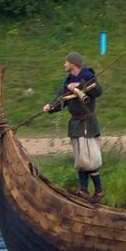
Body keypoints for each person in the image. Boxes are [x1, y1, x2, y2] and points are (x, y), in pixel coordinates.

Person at [42, 52, 104, 203]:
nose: (64, 64)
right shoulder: (68, 80)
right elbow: (60, 99)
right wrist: (50, 107)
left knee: (88, 159)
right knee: (80, 159)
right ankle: (83, 190)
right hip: (75, 124)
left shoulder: (88, 76)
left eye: (66, 62)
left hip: (86, 123)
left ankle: (99, 190)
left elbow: (98, 91)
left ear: (73, 64)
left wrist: (81, 85)